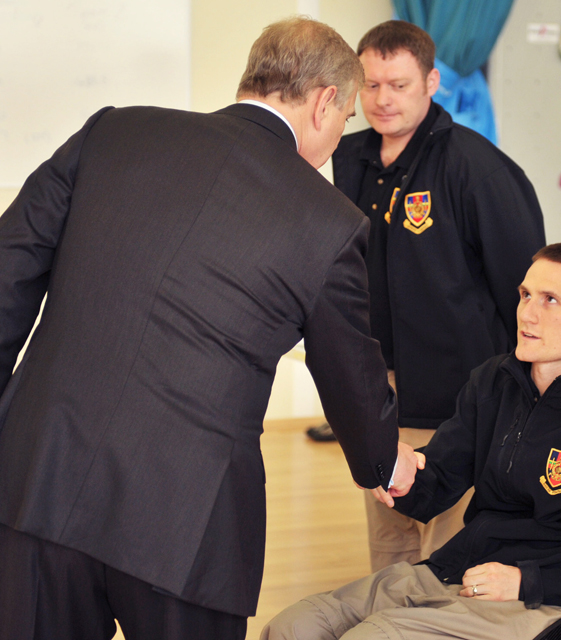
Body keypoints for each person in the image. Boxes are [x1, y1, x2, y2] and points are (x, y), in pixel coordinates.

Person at [0, 17, 422, 640]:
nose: (339, 136)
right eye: (347, 118)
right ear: (325, 102)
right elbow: (348, 372)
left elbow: (8, 278)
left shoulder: (113, 131)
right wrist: (384, 461)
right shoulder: (328, 221)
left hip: (39, 479)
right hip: (185, 523)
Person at [263, 242, 561, 640]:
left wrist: (528, 581)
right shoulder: (493, 381)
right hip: (460, 569)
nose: (527, 313)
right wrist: (393, 471)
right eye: (525, 295)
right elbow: (435, 482)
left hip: (548, 600)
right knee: (293, 627)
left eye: (550, 300)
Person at [306, 20, 546, 572]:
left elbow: (527, 289)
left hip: (456, 400)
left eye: (399, 85)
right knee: (388, 540)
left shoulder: (477, 169)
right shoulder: (346, 161)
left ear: (432, 82)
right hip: (375, 397)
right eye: (370, 86)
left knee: (445, 551)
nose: (382, 100)